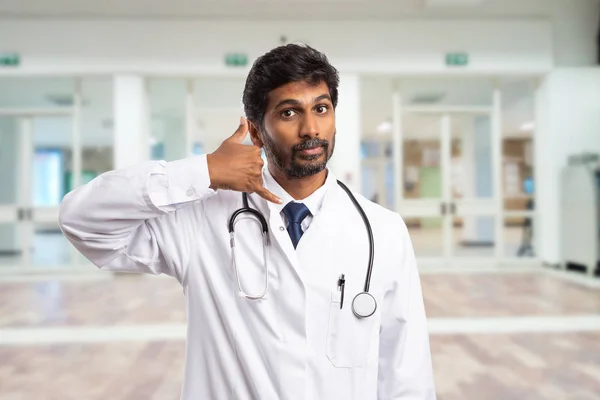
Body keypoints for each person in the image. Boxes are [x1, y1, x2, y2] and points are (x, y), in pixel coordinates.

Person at [58, 44, 436, 399]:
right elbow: (82, 220)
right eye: (289, 112)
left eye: (321, 109)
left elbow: (406, 370)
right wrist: (202, 171)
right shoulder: (200, 219)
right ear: (255, 131)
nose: (310, 129)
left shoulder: (382, 231)